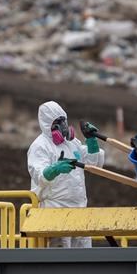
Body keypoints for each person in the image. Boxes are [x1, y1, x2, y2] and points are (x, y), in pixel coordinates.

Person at [27, 101, 104, 248]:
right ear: (47, 124)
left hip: (80, 210)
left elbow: (93, 165)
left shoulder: (72, 143)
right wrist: (54, 169)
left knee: (84, 260)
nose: (62, 125)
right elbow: (38, 174)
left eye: (63, 120)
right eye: (57, 122)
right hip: (54, 211)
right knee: (59, 260)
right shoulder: (40, 146)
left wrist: (91, 141)